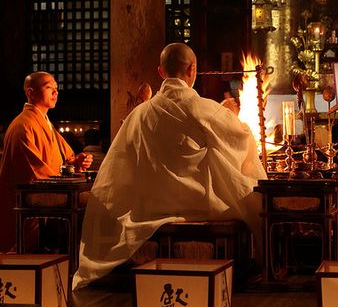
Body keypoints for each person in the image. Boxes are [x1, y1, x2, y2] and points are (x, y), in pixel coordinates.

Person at [72, 43, 267, 290]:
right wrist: (232, 116)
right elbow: (241, 141)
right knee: (252, 192)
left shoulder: (140, 114)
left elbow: (117, 167)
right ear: (192, 69)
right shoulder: (205, 109)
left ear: (161, 72)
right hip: (202, 205)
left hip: (150, 207)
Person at [0, 72, 93, 252]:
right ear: (31, 92)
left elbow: (65, 158)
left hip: (49, 192)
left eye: (56, 88)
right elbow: (33, 170)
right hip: (28, 199)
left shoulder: (44, 122)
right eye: (48, 87)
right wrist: (66, 174)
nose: (55, 92)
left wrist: (76, 162)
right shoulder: (23, 126)